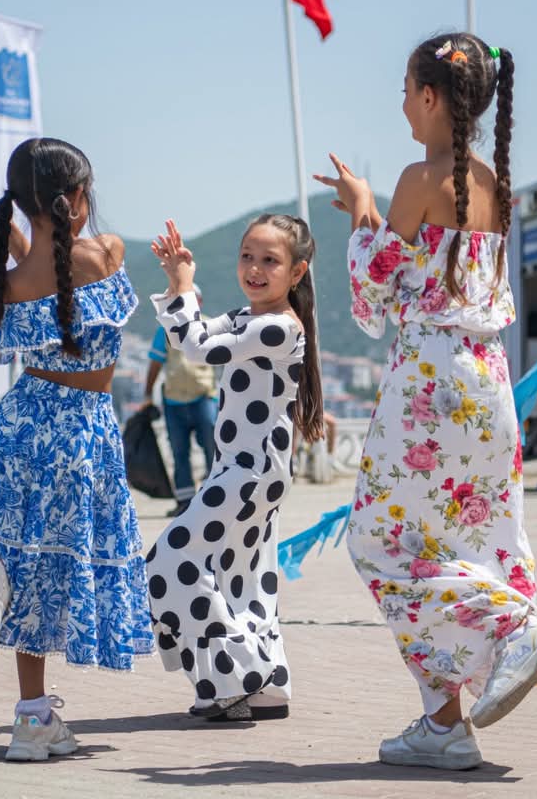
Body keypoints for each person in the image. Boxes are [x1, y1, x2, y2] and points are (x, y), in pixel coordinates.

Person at [316, 33, 537, 769]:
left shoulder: (419, 178)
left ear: (431, 97)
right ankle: (444, 724)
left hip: (429, 378)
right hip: (487, 381)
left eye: (405, 88)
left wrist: (363, 208)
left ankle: (516, 627)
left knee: (382, 542)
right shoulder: (495, 180)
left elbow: (375, 283)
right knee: (467, 544)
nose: (400, 101)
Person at [0, 139, 153, 762]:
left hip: (23, 423)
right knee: (59, 563)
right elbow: (74, 278)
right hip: (82, 429)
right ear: (76, 197)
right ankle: (35, 722)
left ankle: (31, 716)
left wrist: (3, 245)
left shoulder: (10, 280)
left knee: (21, 561)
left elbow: (44, 284)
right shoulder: (106, 253)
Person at [145, 215, 323, 722]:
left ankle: (236, 678)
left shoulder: (277, 327)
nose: (256, 268)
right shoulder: (252, 318)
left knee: (170, 560)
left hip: (250, 472)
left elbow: (200, 348)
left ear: (297, 271)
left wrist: (182, 286)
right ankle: (265, 687)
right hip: (246, 471)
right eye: (248, 256)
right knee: (239, 578)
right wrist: (180, 279)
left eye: (270, 260)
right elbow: (192, 338)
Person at [143, 283, 218, 515]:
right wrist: (148, 394)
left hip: (204, 396)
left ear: (199, 303)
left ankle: (214, 500)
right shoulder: (165, 330)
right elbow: (155, 363)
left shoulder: (210, 326)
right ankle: (185, 503)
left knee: (213, 449)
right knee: (179, 452)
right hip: (174, 400)